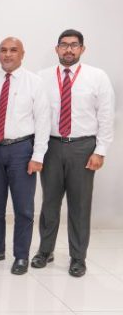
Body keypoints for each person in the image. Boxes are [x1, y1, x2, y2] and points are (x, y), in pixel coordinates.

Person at [32, 29, 114, 277]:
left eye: (74, 45)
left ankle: (78, 257)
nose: (69, 49)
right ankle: (45, 251)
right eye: (64, 45)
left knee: (79, 205)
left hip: (83, 147)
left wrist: (100, 150)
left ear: (82, 49)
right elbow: (36, 114)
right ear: (57, 49)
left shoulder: (97, 77)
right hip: (51, 146)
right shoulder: (42, 77)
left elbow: (106, 116)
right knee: (49, 202)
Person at [0, 37, 50, 275]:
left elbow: (43, 121)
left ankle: (21, 255)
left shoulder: (34, 82)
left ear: (22, 54)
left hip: (22, 150)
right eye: (3, 50)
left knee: (23, 207)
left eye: (13, 50)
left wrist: (38, 155)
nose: (7, 54)